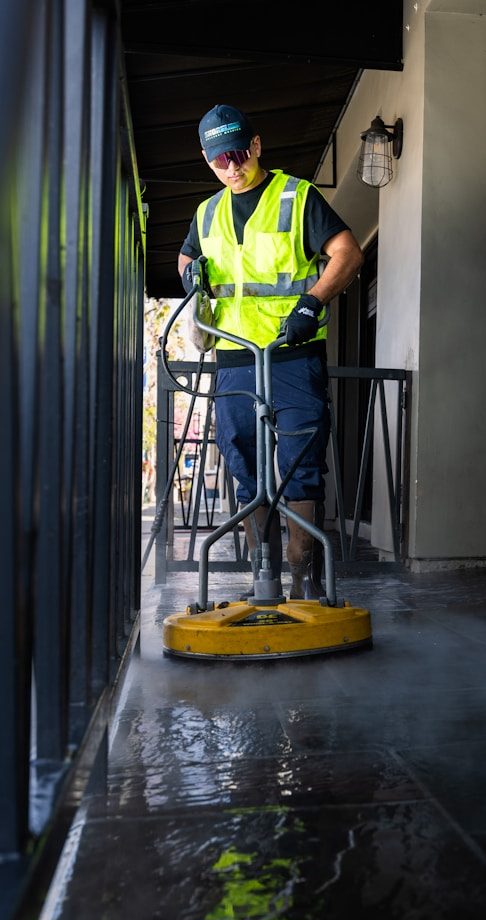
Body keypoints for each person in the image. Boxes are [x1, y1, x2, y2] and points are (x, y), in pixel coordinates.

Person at [178, 104, 364, 599]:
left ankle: (304, 578)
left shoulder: (296, 197)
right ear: (207, 160)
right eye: (219, 161)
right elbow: (187, 256)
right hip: (235, 357)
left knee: (301, 460)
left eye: (239, 155)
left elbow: (348, 252)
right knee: (245, 463)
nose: (232, 168)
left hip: (291, 352)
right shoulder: (207, 212)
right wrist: (192, 278)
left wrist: (312, 302)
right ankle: (265, 580)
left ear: (256, 145)